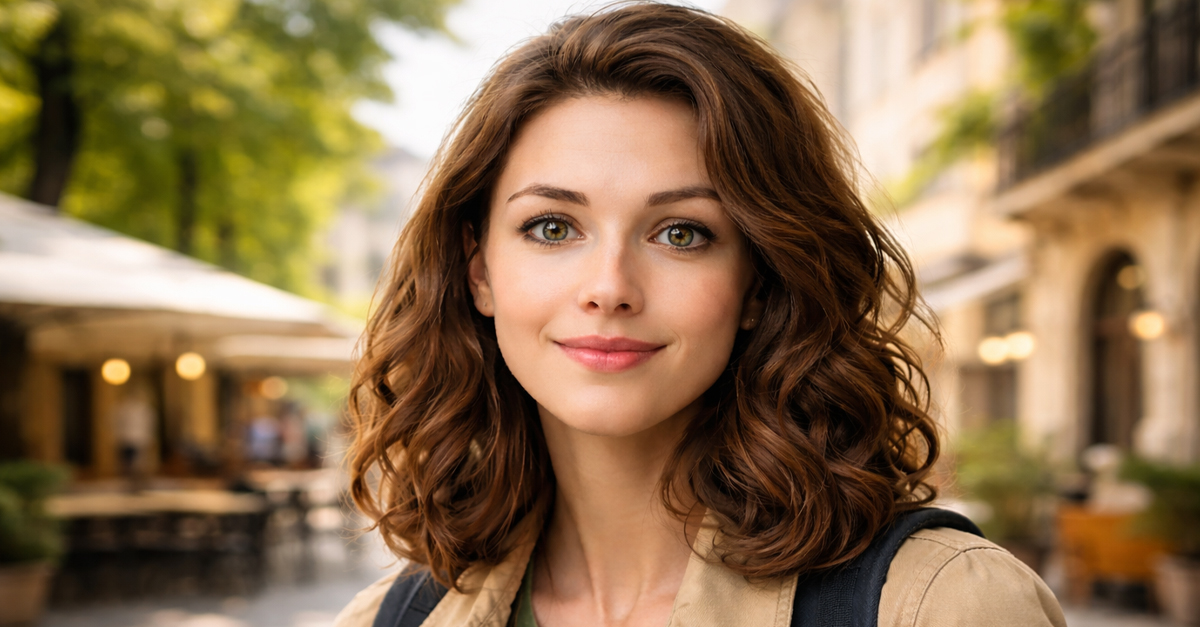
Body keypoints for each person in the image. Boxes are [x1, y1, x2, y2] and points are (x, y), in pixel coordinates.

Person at [337, 4, 1066, 626]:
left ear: (757, 283)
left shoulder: (941, 603)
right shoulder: (388, 617)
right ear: (479, 270)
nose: (609, 286)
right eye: (553, 227)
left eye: (681, 232)